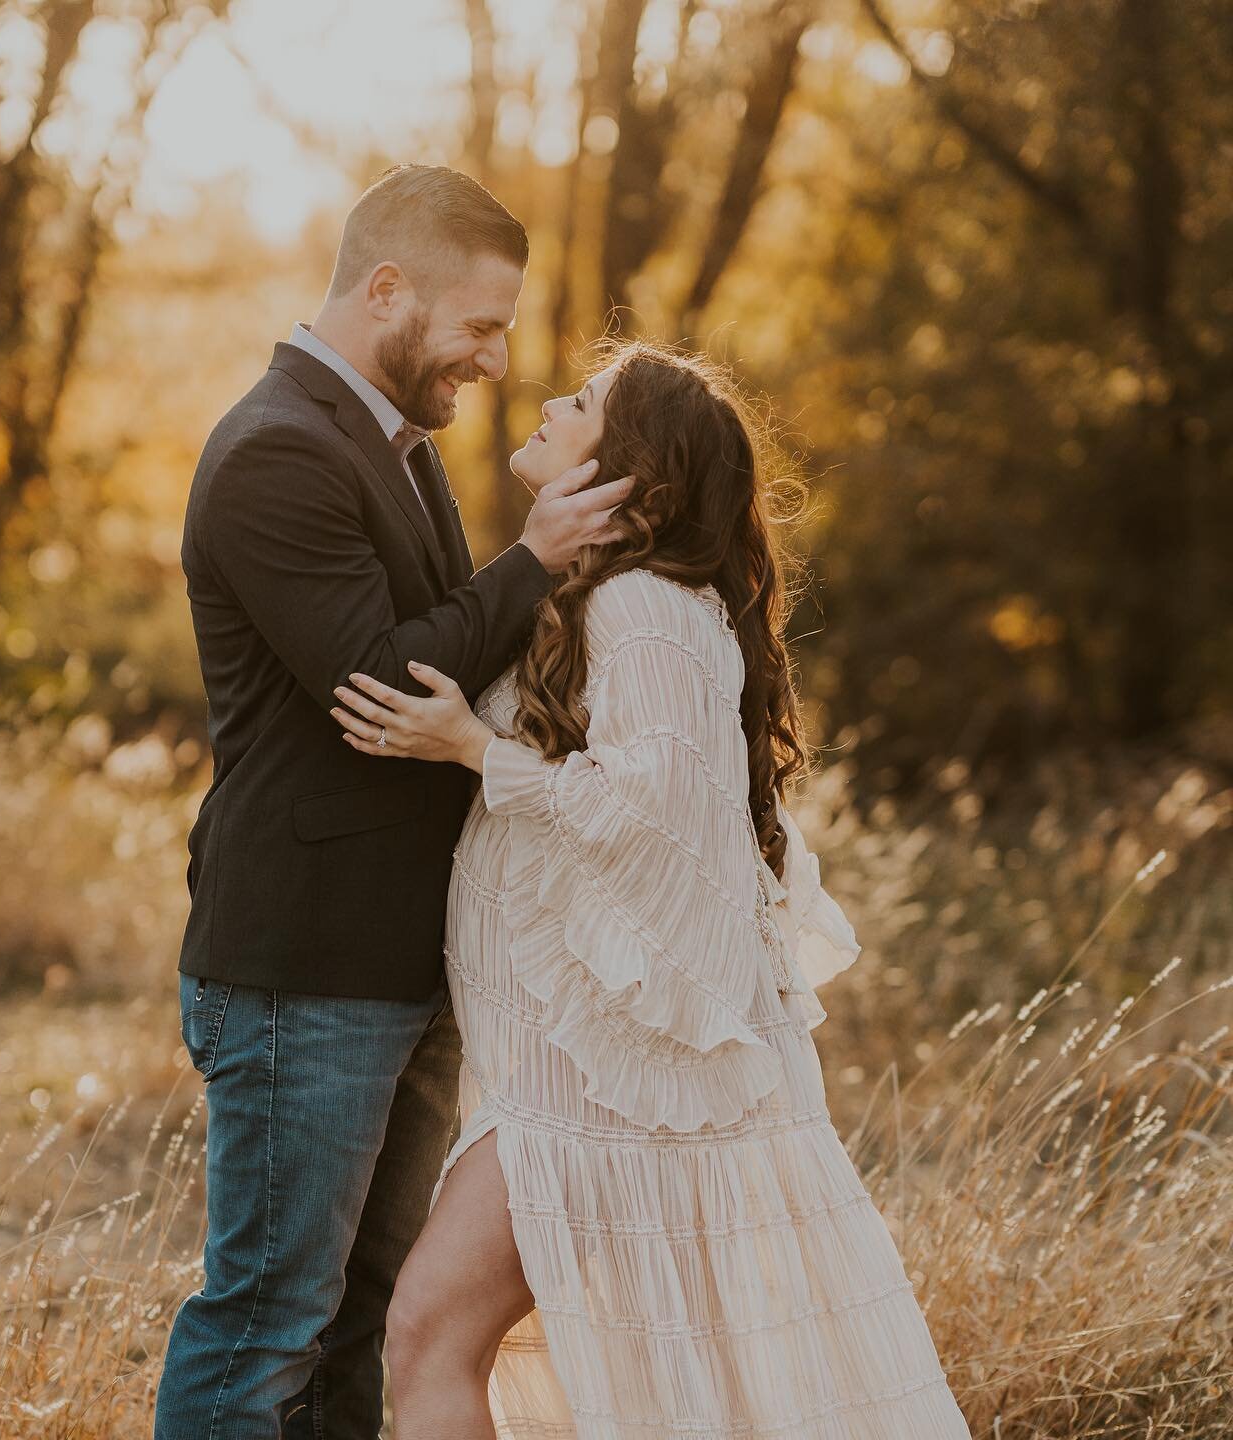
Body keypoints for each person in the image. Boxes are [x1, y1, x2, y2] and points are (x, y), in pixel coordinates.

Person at [333, 341, 974, 1438]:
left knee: (430, 1330)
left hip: (599, 1089)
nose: (543, 402)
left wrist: (470, 751)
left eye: (579, 403)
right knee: (465, 1338)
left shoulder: (650, 611)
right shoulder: (615, 599)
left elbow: (660, 814)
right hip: (560, 1070)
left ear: (635, 471)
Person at [153, 164, 634, 1440]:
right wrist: (534, 558)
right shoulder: (276, 452)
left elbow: (450, 658)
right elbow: (383, 681)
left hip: (397, 961)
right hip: (301, 965)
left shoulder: (395, 449)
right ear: (386, 288)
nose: (494, 356)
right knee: (265, 1322)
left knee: (367, 1312)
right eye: (479, 324)